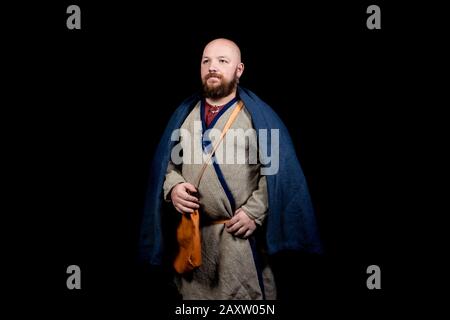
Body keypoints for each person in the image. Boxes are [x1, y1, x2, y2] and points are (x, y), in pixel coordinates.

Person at [139, 38, 322, 300]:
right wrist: (173, 186)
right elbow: (168, 165)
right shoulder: (185, 114)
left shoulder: (258, 116)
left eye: (222, 61)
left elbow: (276, 173)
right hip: (194, 243)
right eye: (206, 61)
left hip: (238, 243)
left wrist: (254, 212)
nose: (212, 67)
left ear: (239, 69)